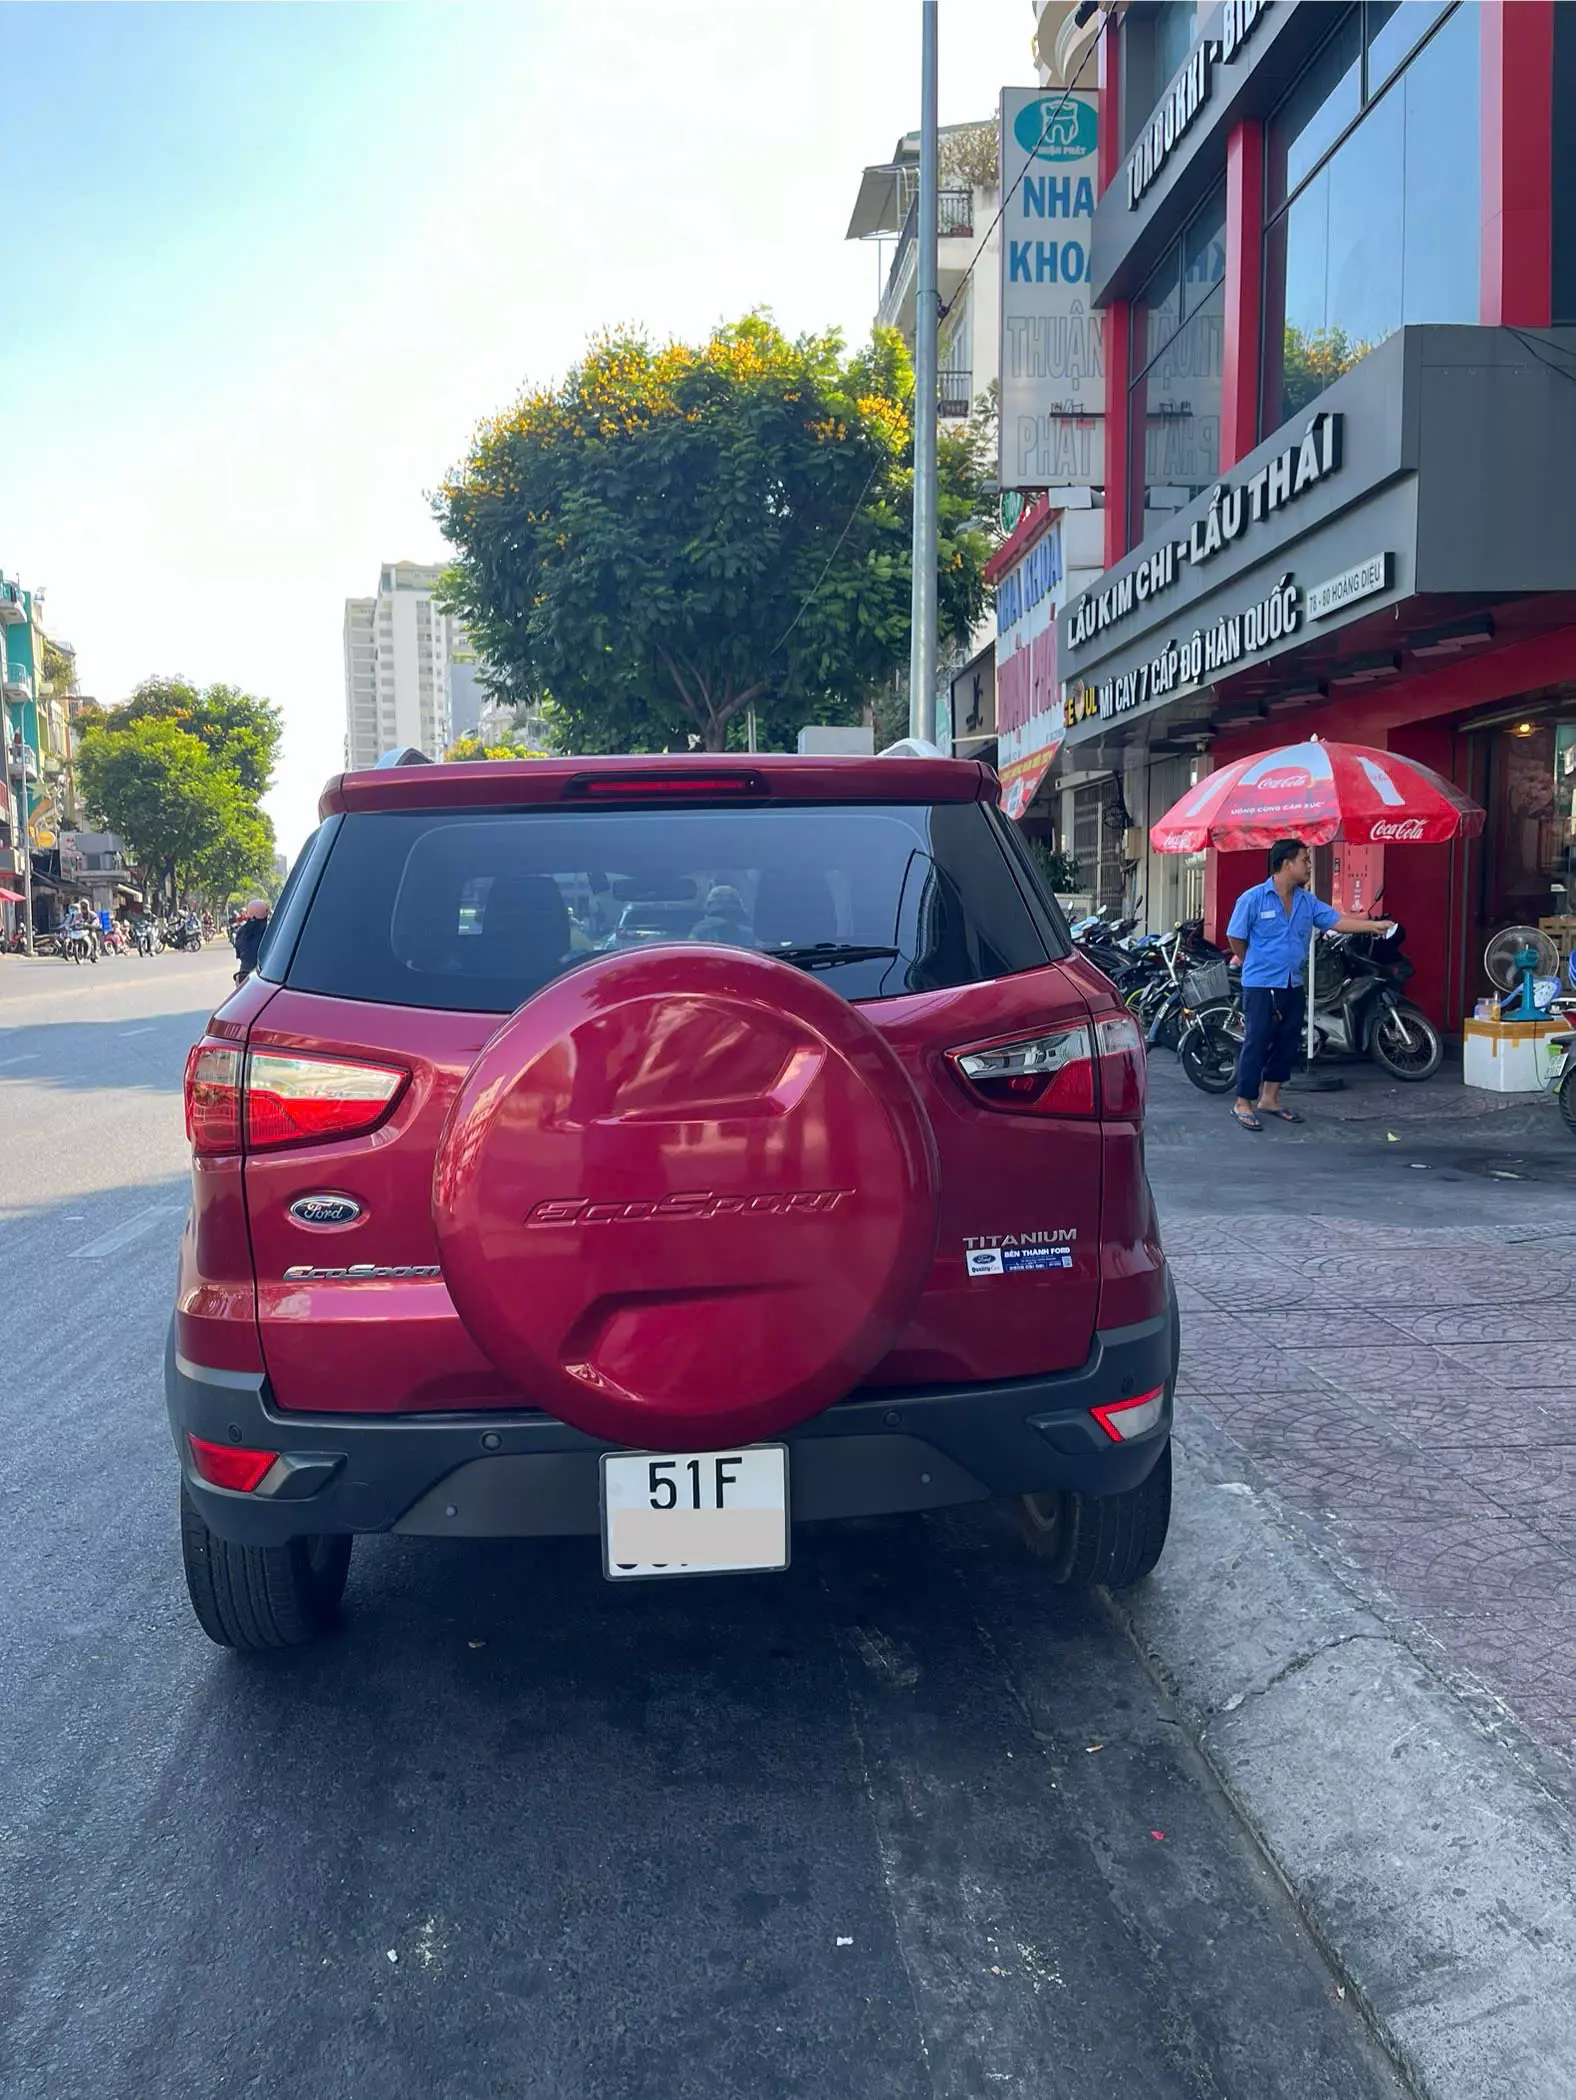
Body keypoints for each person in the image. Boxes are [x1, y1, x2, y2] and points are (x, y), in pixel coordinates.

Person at [1226, 839, 1394, 1132]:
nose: (1309, 865)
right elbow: (1235, 936)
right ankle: (1243, 1102)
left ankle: (1270, 1098)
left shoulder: (1307, 901)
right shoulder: (1252, 899)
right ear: (1286, 864)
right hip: (1261, 984)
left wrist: (1372, 926)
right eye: (1305, 860)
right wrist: (1251, 960)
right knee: (1257, 1040)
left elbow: (1337, 922)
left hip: (1292, 982)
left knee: (1287, 1041)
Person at [231, 896, 271, 984]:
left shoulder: (241, 930)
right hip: (263, 975)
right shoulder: (270, 930)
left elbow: (238, 952)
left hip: (243, 974)